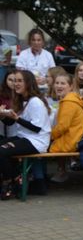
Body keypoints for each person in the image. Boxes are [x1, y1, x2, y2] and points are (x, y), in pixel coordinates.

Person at [0, 71, 51, 199]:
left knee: (2, 151)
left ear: (28, 83)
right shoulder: (21, 100)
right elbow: (11, 122)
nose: (16, 84)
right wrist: (2, 116)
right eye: (15, 81)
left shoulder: (35, 102)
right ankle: (16, 177)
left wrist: (17, 119)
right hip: (24, 137)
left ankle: (9, 182)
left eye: (19, 81)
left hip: (37, 141)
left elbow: (36, 128)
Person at [49, 73, 83, 182]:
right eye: (57, 83)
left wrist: (49, 136)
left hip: (72, 140)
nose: (59, 86)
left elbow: (62, 127)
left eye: (63, 83)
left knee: (39, 145)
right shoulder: (72, 99)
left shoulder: (68, 103)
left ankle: (38, 178)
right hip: (75, 137)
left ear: (70, 86)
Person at [0, 69, 17, 138]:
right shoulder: (1, 93)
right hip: (3, 125)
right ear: (5, 80)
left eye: (15, 80)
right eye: (10, 80)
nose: (13, 83)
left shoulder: (22, 94)